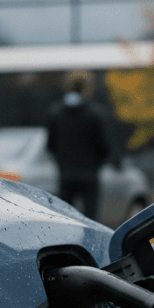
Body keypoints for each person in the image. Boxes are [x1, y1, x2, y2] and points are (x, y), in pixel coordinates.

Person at [46, 70, 112, 220]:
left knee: (66, 218)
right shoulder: (94, 114)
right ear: (87, 87)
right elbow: (104, 147)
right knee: (90, 219)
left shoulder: (56, 113)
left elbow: (50, 145)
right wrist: (95, 165)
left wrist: (62, 163)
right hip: (89, 174)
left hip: (66, 174)